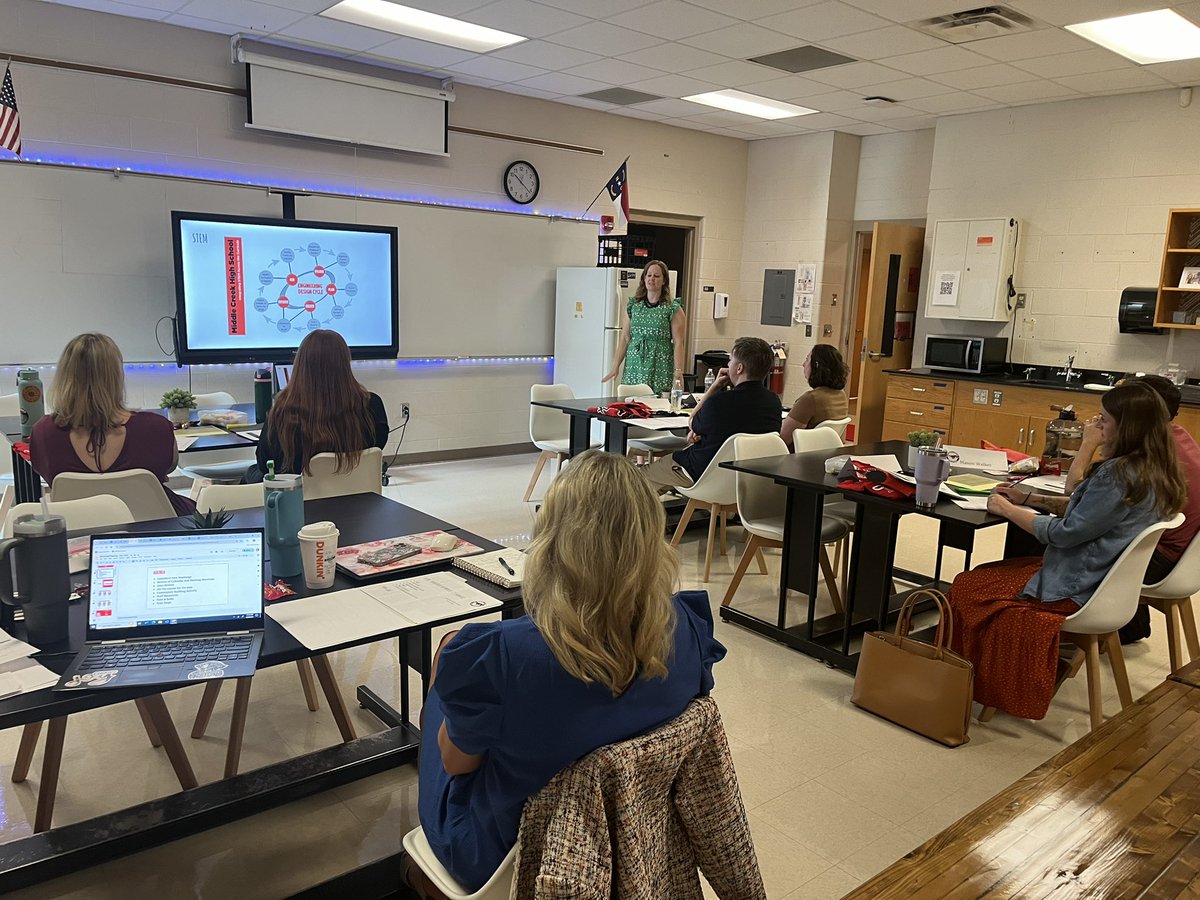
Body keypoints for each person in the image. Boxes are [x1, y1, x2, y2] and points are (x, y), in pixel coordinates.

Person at [415, 451, 725, 892]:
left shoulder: (504, 657)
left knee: (446, 672)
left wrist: (451, 669)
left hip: (511, 855)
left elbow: (457, 763)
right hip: (637, 845)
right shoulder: (689, 631)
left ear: (553, 540)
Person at [949, 381, 1187, 720]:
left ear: (1127, 426)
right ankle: (1000, 673)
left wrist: (1009, 511)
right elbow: (1090, 513)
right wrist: (1029, 499)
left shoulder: (1118, 474)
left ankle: (980, 681)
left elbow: (1066, 533)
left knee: (969, 585)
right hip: (1107, 587)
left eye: (1103, 420)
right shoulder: (1156, 470)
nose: (1096, 425)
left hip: (1077, 588)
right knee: (999, 573)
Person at [1017, 375, 1200, 643]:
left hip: (1147, 559)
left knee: (1039, 544)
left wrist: (1089, 443)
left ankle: (1044, 629)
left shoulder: (1135, 463)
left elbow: (1079, 494)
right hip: (1177, 557)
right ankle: (1125, 626)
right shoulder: (1171, 444)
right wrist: (1031, 500)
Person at [30, 333, 195, 516]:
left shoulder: (43, 433)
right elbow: (169, 467)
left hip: (80, 532)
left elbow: (46, 474)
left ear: (64, 376)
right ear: (117, 375)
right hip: (155, 528)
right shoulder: (156, 427)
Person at [642, 336, 782, 492]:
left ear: (739, 368)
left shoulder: (720, 402)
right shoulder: (774, 402)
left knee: (638, 478)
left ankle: (637, 515)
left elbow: (692, 421)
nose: (728, 365)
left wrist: (714, 387)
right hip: (745, 481)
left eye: (730, 361)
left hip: (701, 473)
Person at [249, 329, 388, 481]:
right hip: (358, 498)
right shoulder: (371, 406)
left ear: (300, 364)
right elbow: (378, 445)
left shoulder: (282, 413)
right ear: (345, 364)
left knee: (252, 473)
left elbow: (265, 464)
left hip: (299, 502)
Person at [601, 260, 685, 396]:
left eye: (657, 276)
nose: (652, 279)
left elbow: (678, 342)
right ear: (644, 278)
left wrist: (678, 372)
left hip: (660, 364)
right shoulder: (634, 305)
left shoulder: (672, 308)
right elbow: (625, 338)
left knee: (657, 405)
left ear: (664, 281)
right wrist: (615, 366)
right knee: (632, 404)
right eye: (649, 275)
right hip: (635, 363)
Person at [780, 344, 849, 449]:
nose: (803, 364)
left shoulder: (811, 399)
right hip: (820, 453)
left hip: (796, 456)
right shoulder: (841, 395)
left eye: (807, 360)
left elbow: (784, 438)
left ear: (816, 365)